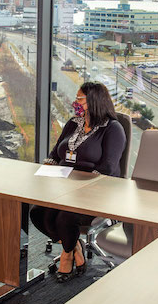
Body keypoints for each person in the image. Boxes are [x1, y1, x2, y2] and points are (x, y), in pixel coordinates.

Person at [30, 82, 126, 282]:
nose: (76, 102)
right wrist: (46, 170)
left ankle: (67, 256)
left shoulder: (113, 129)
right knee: (38, 213)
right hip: (64, 186)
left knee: (64, 217)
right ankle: (75, 246)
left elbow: (108, 167)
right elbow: (56, 151)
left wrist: (78, 185)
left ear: (93, 101)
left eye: (80, 98)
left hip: (96, 190)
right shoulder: (74, 122)